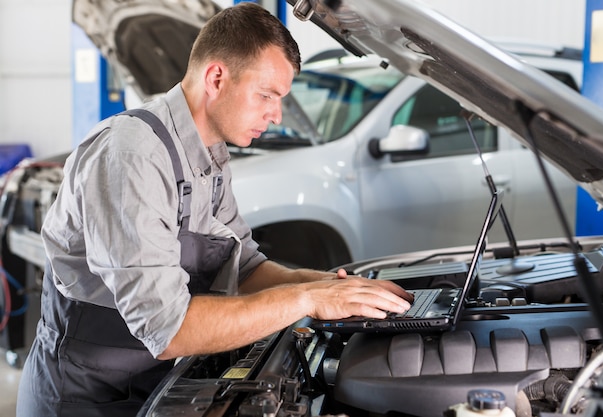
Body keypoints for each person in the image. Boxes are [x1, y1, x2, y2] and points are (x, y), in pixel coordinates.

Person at [16, 3, 412, 416]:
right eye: (266, 95)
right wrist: (305, 300)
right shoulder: (132, 155)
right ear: (217, 78)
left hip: (149, 386)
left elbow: (244, 268)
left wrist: (329, 287)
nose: (276, 115)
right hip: (84, 398)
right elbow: (166, 327)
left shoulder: (209, 154)